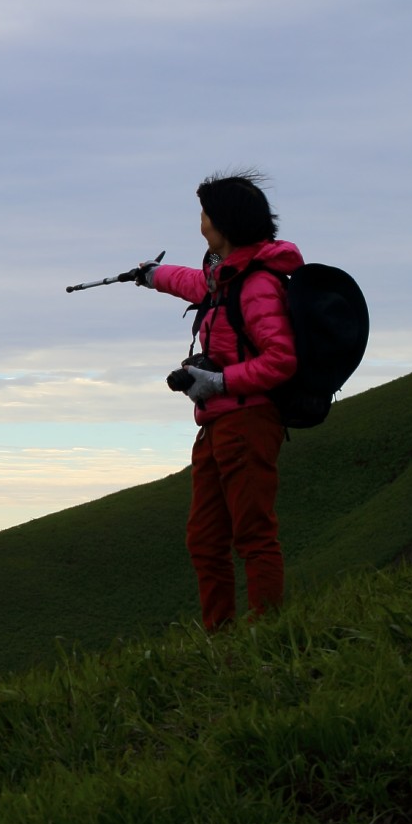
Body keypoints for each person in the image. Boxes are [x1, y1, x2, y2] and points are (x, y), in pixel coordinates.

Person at [133, 171, 303, 631]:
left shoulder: (257, 284)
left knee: (253, 533)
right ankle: (221, 638)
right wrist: (151, 275)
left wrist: (218, 382)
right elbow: (194, 283)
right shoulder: (226, 277)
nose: (201, 222)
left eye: (205, 214)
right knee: (205, 540)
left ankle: (267, 634)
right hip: (216, 426)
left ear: (223, 223)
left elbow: (281, 361)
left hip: (248, 421)